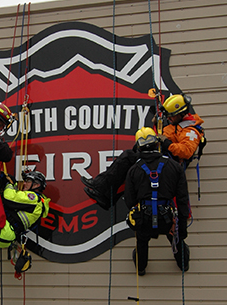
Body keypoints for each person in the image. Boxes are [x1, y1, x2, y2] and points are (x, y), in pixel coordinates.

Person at [82, 93, 205, 209]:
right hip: (159, 159)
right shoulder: (176, 127)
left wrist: (166, 142)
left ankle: (100, 185)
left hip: (166, 164)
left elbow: (186, 151)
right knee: (130, 170)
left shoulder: (190, 131)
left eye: (171, 115)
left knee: (128, 157)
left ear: (181, 113)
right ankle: (108, 197)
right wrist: (157, 127)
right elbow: (163, 136)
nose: (169, 118)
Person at [124, 127, 190, 275]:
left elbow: (129, 199)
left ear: (138, 146)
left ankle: (141, 268)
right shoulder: (174, 167)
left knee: (141, 240)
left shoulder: (134, 169)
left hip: (144, 218)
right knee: (176, 237)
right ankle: (183, 264)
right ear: (156, 143)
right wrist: (183, 226)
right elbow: (182, 199)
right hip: (166, 217)